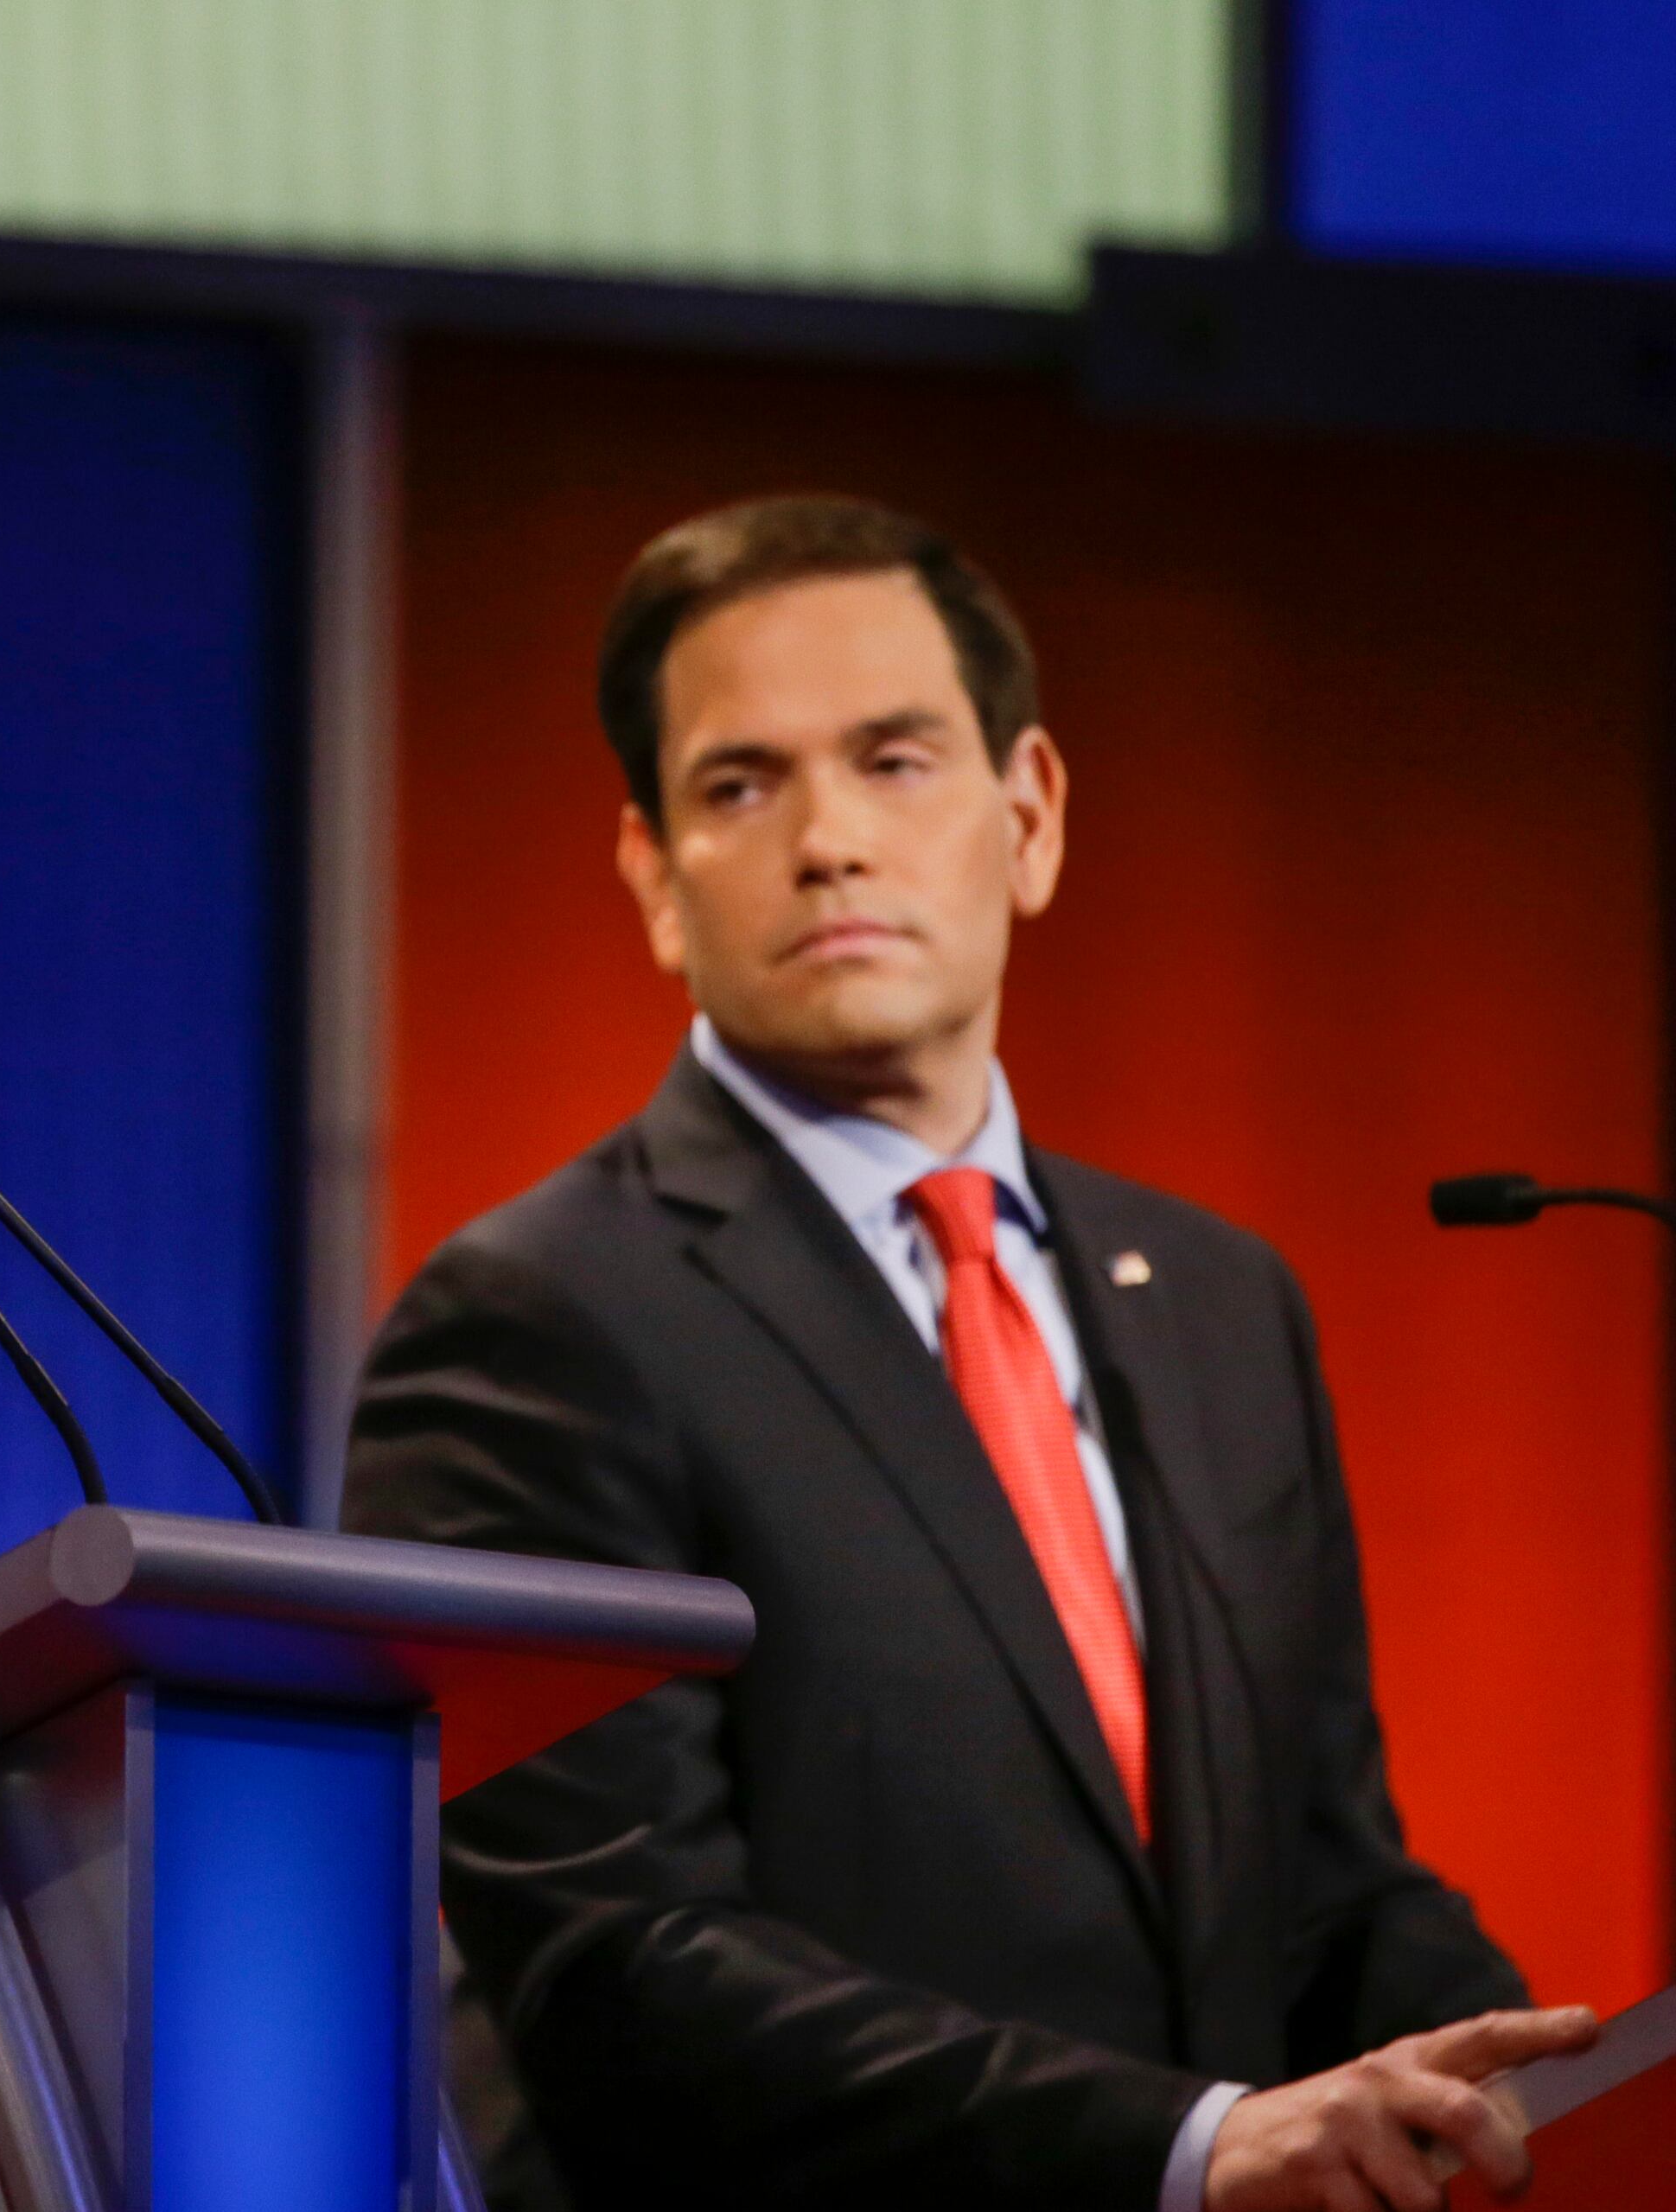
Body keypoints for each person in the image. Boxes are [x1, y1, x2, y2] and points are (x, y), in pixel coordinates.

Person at [345, 496, 1598, 2212]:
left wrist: (1562, 2087)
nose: (829, 839)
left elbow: (1322, 1882)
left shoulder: (1225, 1303)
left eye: (895, 758)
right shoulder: (536, 1318)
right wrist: (1191, 2146)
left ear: (1032, 815)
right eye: (740, 784)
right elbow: (616, 1966)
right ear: (651, 874)